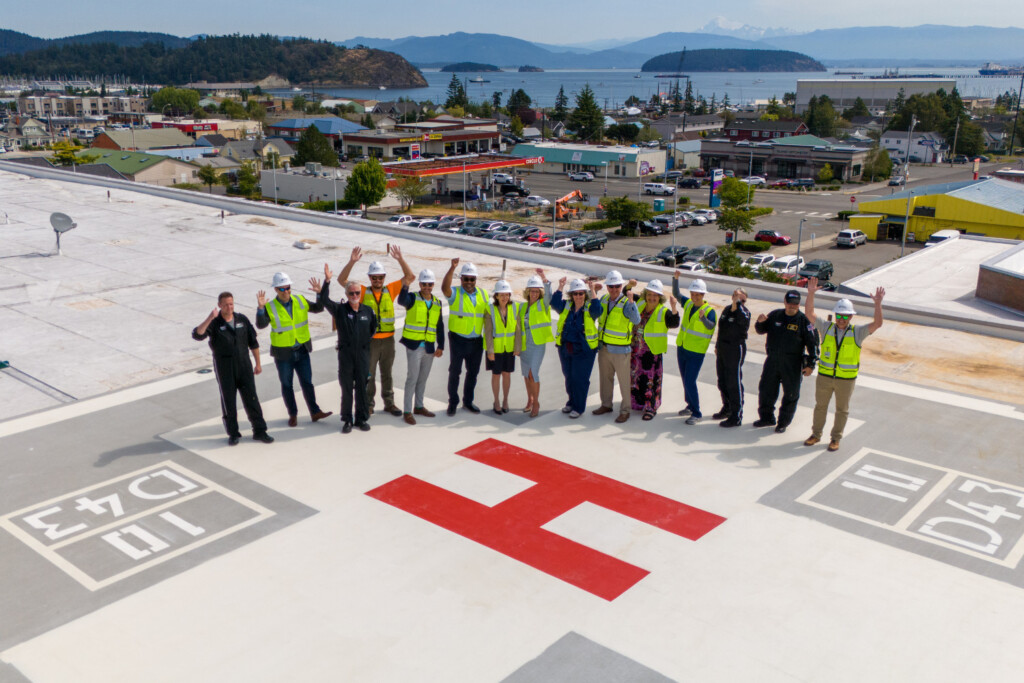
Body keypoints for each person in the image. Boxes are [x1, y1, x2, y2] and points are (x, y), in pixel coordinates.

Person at [803, 278, 885, 451]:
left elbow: (877, 324)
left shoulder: (858, 332)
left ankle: (835, 438)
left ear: (850, 317)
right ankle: (816, 434)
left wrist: (877, 304)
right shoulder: (827, 328)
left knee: (842, 410)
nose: (841, 319)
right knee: (820, 407)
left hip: (846, 380)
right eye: (839, 315)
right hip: (825, 377)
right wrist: (810, 294)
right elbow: (810, 314)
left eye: (845, 316)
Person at [336, 244, 415, 418]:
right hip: (370, 342)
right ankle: (369, 404)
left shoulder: (391, 290)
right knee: (368, 374)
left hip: (388, 341)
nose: (377, 280)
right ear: (370, 278)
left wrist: (400, 259)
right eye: (374, 277)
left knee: (387, 373)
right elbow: (342, 280)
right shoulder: (362, 292)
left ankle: (389, 403)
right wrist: (352, 262)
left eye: (380, 277)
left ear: (384, 277)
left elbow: (410, 276)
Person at [192, 292, 273, 445]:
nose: (229, 307)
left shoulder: (242, 319)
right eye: (226, 304)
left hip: (244, 366)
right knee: (228, 401)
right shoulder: (214, 323)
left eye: (231, 304)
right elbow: (198, 334)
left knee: (252, 399)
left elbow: (253, 343)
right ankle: (233, 433)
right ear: (220, 305)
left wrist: (258, 363)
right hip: (225, 368)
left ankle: (260, 431)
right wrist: (210, 317)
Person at [256, 271, 332, 427]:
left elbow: (318, 308)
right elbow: (261, 325)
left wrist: (320, 293)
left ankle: (315, 411)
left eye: (288, 288)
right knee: (286, 385)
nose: (286, 291)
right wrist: (261, 308)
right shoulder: (271, 307)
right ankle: (293, 414)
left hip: (302, 350)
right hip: (283, 354)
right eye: (282, 289)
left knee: (307, 383)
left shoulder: (300, 300)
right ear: (276, 290)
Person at [314, 265, 377, 434]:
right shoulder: (340, 310)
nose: (355, 296)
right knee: (347, 388)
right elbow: (325, 300)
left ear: (360, 294)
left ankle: (361, 418)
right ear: (346, 295)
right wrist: (327, 281)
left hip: (363, 356)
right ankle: (347, 419)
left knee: (362, 389)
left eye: (357, 293)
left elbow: (373, 329)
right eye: (351, 293)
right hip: (346, 356)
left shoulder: (368, 311)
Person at [752, 289, 819, 434]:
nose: (792, 306)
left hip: (792, 364)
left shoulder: (804, 321)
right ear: (785, 302)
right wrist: (760, 323)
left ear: (798, 304)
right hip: (772, 360)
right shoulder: (775, 315)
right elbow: (760, 330)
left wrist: (811, 365)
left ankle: (783, 422)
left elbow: (813, 345)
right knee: (766, 390)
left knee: (791, 394)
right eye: (789, 303)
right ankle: (766, 418)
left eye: (795, 304)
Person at [398, 269, 446, 425]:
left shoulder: (437, 303)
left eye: (429, 284)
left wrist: (441, 345)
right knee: (412, 378)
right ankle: (407, 411)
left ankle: (418, 406)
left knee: (422, 379)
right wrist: (405, 286)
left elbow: (439, 326)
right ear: (419, 284)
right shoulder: (412, 298)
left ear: (433, 285)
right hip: (414, 346)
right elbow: (401, 301)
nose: (427, 286)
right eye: (424, 284)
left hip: (430, 347)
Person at [593, 270, 641, 423]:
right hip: (604, 348)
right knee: (605, 379)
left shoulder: (627, 302)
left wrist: (632, 303)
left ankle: (625, 410)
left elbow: (635, 320)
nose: (614, 289)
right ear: (607, 287)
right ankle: (606, 404)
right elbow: (593, 312)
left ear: (621, 286)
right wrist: (592, 291)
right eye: (611, 286)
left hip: (621, 350)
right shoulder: (604, 299)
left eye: (617, 286)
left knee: (624, 382)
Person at [442, 259, 489, 416]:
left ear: (475, 280)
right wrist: (452, 268)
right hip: (458, 340)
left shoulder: (483, 294)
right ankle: (453, 403)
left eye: (472, 279)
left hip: (476, 341)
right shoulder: (455, 293)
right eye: (466, 279)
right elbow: (444, 288)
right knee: (455, 372)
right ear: (461, 279)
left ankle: (468, 401)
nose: (469, 282)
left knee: (473, 373)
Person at [630, 280, 680, 421]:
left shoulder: (663, 311)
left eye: (655, 295)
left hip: (651, 353)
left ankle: (651, 407)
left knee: (650, 381)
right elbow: (626, 293)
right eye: (650, 294)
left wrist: (674, 306)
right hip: (636, 350)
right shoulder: (640, 304)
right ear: (645, 295)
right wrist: (629, 286)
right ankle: (638, 403)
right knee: (635, 378)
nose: (652, 298)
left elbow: (674, 323)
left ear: (660, 298)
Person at [551, 277, 601, 418]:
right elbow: (554, 303)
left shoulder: (589, 307)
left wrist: (592, 290)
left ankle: (579, 407)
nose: (578, 296)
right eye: (575, 293)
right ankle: (571, 402)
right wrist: (560, 286)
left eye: (581, 293)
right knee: (569, 377)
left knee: (580, 379)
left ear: (585, 295)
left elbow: (598, 310)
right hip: (566, 348)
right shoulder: (566, 306)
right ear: (571, 295)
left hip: (584, 350)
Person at [671, 275, 717, 425]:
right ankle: (690, 406)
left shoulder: (709, 311)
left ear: (703, 295)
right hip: (683, 348)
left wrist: (703, 318)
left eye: (698, 294)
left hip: (696, 352)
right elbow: (677, 294)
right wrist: (675, 279)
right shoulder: (689, 305)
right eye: (693, 294)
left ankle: (697, 413)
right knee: (685, 380)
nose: (694, 297)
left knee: (690, 381)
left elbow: (710, 326)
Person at [713, 288, 751, 428]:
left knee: (733, 382)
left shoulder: (745, 312)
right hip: (723, 348)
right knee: (722, 380)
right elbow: (721, 328)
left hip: (735, 349)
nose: (739, 301)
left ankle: (736, 415)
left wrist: (738, 306)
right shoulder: (726, 310)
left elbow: (743, 324)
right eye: (736, 298)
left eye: (742, 300)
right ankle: (727, 407)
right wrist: (717, 345)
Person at [519, 269, 554, 418]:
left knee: (533, 373)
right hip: (525, 345)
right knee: (526, 374)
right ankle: (530, 399)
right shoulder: (521, 307)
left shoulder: (543, 304)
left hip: (538, 344)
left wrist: (544, 278)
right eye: (531, 291)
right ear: (527, 292)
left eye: (536, 291)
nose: (533, 293)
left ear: (539, 292)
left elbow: (549, 295)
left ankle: (537, 403)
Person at [484, 280, 522, 414]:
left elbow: (518, 330)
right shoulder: (490, 309)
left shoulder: (515, 307)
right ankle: (497, 401)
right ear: (496, 296)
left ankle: (505, 400)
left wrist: (518, 347)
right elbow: (488, 332)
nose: (505, 297)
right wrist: (490, 351)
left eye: (507, 294)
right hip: (496, 349)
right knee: (496, 375)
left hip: (509, 348)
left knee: (507, 374)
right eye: (502, 295)